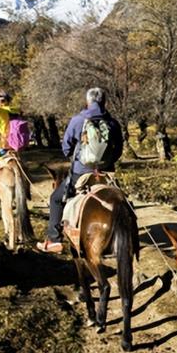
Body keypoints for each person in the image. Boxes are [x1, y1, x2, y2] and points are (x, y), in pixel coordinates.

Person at [37, 87, 123, 253]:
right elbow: (118, 150)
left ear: (87, 102)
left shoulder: (77, 120)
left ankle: (54, 239)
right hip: (106, 174)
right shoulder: (113, 123)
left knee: (56, 199)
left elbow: (66, 147)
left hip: (81, 172)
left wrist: (75, 157)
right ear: (104, 102)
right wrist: (107, 163)